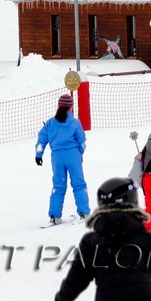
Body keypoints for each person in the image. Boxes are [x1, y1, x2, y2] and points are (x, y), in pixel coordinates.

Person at [35, 92, 90, 224]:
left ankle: (54, 216)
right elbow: (82, 141)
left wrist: (39, 154)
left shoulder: (50, 123)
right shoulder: (75, 123)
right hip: (73, 155)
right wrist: (79, 154)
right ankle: (84, 213)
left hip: (57, 157)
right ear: (71, 107)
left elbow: (41, 140)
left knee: (58, 185)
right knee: (78, 183)